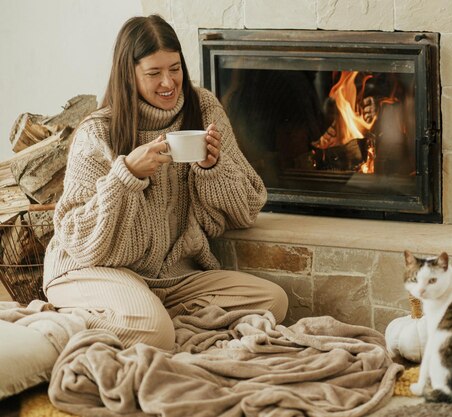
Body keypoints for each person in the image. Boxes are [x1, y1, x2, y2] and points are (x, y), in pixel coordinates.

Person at [42, 14, 288, 351]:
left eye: (175, 68)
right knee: (154, 334)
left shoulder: (204, 109)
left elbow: (247, 210)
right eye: (154, 73)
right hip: (92, 271)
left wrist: (213, 167)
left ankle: (148, 316)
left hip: (169, 278)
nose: (169, 83)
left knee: (272, 299)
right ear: (129, 75)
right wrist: (125, 175)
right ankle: (61, 323)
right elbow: (78, 239)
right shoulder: (97, 132)